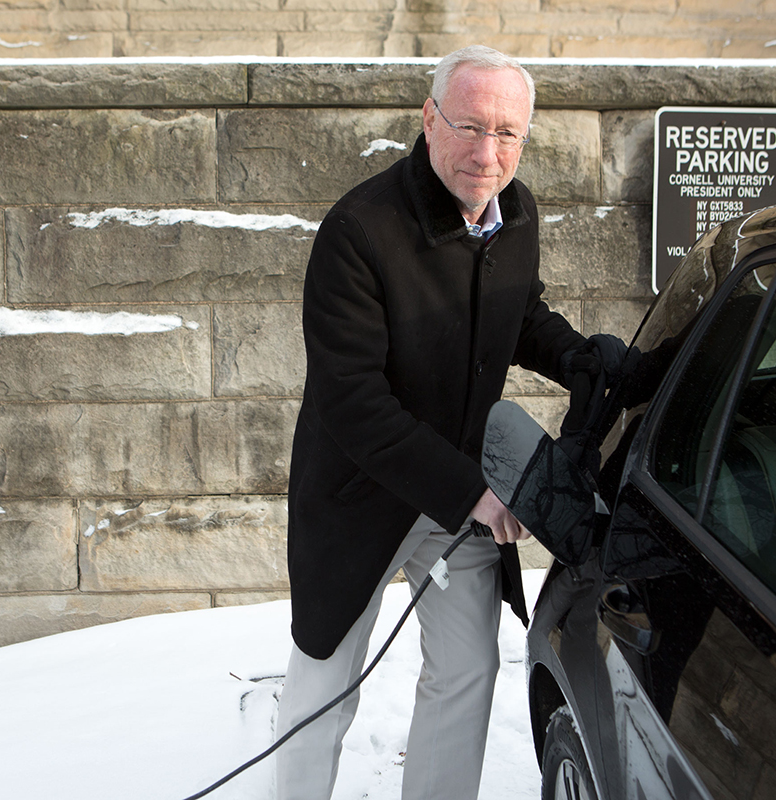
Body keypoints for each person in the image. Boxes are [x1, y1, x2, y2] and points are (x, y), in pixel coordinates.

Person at [276, 45, 596, 800]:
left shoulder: (514, 215)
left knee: (468, 672)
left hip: (456, 500)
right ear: (428, 119)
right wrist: (474, 494)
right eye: (471, 127)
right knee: (322, 689)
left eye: (509, 133)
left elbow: (519, 314)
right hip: (360, 498)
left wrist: (585, 359)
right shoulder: (359, 230)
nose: (489, 154)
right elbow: (352, 400)